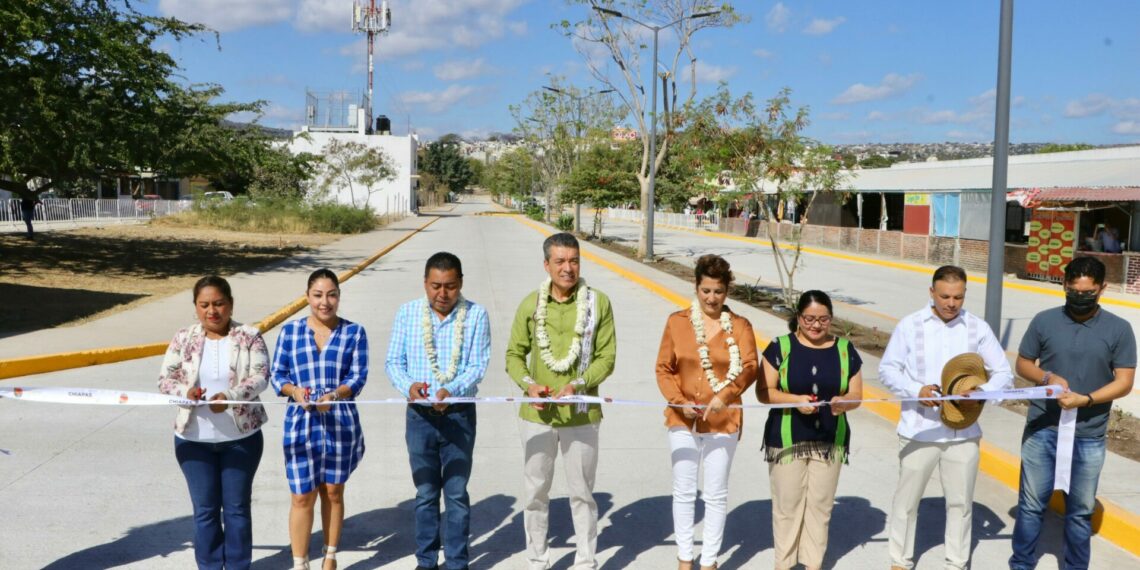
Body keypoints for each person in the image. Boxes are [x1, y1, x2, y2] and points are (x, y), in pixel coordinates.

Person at [879, 265, 1012, 570]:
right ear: (931, 293)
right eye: (945, 296)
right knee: (906, 502)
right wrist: (916, 389)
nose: (951, 303)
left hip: (963, 433)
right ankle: (900, 561)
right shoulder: (910, 325)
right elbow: (888, 369)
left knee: (961, 503)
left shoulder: (978, 328)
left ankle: (956, 562)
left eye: (958, 297)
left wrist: (982, 390)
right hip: (919, 429)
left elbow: (1003, 372)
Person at [1009, 257, 1136, 570]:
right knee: (1031, 505)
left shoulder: (1119, 329)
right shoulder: (1044, 321)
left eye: (1088, 293)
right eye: (1075, 292)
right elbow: (1023, 363)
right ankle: (1022, 564)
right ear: (1065, 286)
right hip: (1042, 429)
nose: (1081, 298)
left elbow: (1124, 381)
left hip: (1089, 435)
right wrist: (1047, 378)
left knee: (1079, 511)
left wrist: (1088, 399)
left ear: (1102, 289)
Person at [506, 232, 617, 570]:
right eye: (560, 261)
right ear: (547, 265)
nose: (568, 268)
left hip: (581, 416)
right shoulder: (530, 303)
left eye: (574, 260)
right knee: (536, 494)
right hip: (536, 416)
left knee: (582, 493)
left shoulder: (599, 302)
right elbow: (514, 355)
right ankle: (537, 561)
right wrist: (529, 385)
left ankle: (585, 561)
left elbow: (606, 357)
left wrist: (579, 384)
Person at [386, 252, 491, 570]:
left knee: (457, 493)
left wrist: (452, 391)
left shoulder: (475, 315)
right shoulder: (407, 313)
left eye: (449, 286)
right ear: (425, 283)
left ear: (460, 283)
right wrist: (409, 388)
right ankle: (426, 561)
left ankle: (458, 562)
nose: (441, 294)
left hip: (459, 416)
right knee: (426, 492)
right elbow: (394, 362)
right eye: (435, 286)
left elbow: (478, 364)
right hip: (419, 418)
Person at [157, 275, 269, 570]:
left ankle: (237, 566)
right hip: (193, 442)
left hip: (241, 440)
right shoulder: (183, 338)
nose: (212, 311)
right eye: (204, 304)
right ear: (195, 307)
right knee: (205, 511)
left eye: (218, 303)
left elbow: (260, 377)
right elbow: (165, 380)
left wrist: (231, 396)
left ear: (230, 305)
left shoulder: (249, 336)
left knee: (236, 510)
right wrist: (186, 392)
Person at [655, 254, 759, 570]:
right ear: (696, 287)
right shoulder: (677, 322)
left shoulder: (740, 326)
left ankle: (710, 559)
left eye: (718, 291)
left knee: (715, 494)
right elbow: (663, 367)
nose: (712, 298)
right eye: (706, 291)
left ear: (727, 291)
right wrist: (678, 400)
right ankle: (685, 558)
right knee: (684, 491)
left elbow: (750, 366)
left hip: (723, 421)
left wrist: (726, 395)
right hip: (682, 420)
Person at [757, 290, 863, 570]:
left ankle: (813, 564)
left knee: (820, 506)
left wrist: (844, 403)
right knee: (787, 506)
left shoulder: (845, 350)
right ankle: (785, 564)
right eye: (809, 319)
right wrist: (794, 401)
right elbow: (764, 392)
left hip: (830, 439)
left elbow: (857, 395)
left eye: (823, 319)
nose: (816, 325)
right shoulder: (780, 347)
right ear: (798, 318)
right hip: (787, 439)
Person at [271, 269, 369, 570]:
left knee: (333, 491)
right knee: (302, 495)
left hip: (339, 423)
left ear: (339, 296)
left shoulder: (354, 332)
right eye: (318, 295)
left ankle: (329, 556)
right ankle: (300, 562)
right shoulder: (290, 332)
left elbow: (358, 376)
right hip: (300, 425)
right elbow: (278, 374)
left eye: (331, 294)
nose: (325, 302)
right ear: (307, 297)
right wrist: (295, 392)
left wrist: (335, 395)